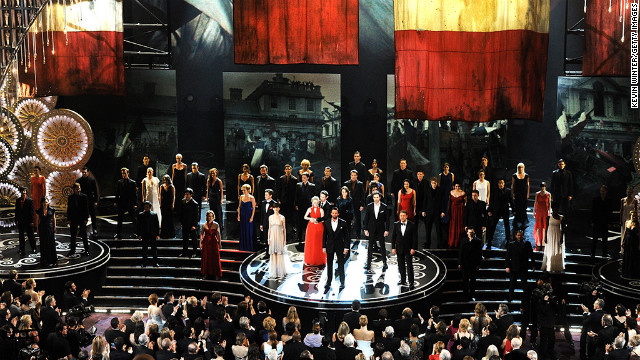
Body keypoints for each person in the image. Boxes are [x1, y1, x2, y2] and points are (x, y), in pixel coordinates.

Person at [323, 207, 350, 293]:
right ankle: (328, 282)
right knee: (329, 265)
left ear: (338, 214)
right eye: (333, 213)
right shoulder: (326, 223)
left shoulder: (343, 223)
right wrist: (324, 247)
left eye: (336, 213)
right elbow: (324, 236)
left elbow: (347, 237)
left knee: (341, 265)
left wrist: (346, 247)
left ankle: (342, 282)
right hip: (330, 246)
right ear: (331, 213)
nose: (334, 214)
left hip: (340, 246)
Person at [391, 210, 418, 289]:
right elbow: (393, 237)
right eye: (401, 215)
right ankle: (403, 280)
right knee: (401, 265)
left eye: (403, 215)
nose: (402, 217)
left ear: (406, 216)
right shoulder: (396, 224)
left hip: (408, 249)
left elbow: (414, 238)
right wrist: (393, 247)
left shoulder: (412, 225)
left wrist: (413, 248)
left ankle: (411, 282)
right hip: (399, 248)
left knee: (409, 266)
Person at [364, 192, 389, 271]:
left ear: (380, 198)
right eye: (374, 197)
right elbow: (366, 218)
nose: (376, 199)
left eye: (377, 197)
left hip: (381, 229)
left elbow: (387, 220)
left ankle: (385, 263)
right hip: (371, 229)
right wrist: (365, 229)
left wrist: (387, 230)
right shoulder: (369, 206)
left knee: (382, 246)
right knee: (370, 246)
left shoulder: (384, 207)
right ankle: (368, 264)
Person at [506, 230, 533, 302]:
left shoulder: (527, 244)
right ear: (515, 236)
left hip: (523, 267)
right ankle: (510, 298)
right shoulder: (511, 245)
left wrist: (533, 264)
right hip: (514, 267)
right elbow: (508, 256)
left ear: (523, 236)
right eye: (518, 235)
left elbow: (531, 255)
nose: (519, 237)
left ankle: (526, 299)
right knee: (512, 284)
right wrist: (507, 266)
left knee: (524, 285)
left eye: (521, 235)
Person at [487, 179, 513, 249]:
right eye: (500, 183)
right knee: (493, 225)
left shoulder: (508, 191)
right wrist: (489, 210)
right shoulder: (494, 191)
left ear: (504, 183)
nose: (501, 184)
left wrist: (514, 210)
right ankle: (489, 240)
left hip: (505, 210)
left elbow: (511, 201)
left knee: (507, 225)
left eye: (502, 183)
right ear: (498, 184)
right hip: (496, 210)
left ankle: (508, 239)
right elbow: (491, 201)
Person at [114, 167, 137, 239]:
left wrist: (135, 204)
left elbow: (134, 194)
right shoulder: (119, 182)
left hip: (130, 203)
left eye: (125, 173)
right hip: (122, 203)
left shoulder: (133, 183)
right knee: (120, 219)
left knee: (134, 219)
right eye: (122, 173)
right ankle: (118, 233)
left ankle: (136, 232)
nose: (123, 175)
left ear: (128, 173)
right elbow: (117, 193)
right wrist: (116, 201)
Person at [66, 183, 89, 256]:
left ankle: (86, 250)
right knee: (73, 235)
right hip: (73, 218)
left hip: (82, 218)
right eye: (77, 188)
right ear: (74, 189)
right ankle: (72, 250)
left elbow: (86, 208)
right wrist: (68, 219)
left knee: (84, 235)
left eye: (79, 188)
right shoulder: (70, 197)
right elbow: (69, 209)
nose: (79, 189)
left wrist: (86, 218)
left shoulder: (84, 196)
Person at [459, 228, 482, 299]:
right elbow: (461, 252)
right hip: (465, 263)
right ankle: (465, 295)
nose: (470, 234)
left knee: (473, 281)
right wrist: (460, 263)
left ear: (474, 233)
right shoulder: (463, 240)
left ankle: (472, 295)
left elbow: (479, 254)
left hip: (473, 264)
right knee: (465, 280)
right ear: (467, 233)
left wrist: (478, 264)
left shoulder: (478, 241)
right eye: (469, 232)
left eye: (472, 232)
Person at [422, 177, 445, 249]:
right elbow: (425, 201)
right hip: (429, 212)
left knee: (438, 229)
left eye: (435, 183)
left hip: (437, 212)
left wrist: (443, 211)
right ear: (431, 183)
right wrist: (423, 210)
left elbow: (442, 202)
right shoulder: (427, 190)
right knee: (428, 228)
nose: (434, 185)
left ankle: (439, 243)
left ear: (437, 183)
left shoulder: (440, 190)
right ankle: (427, 242)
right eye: (432, 183)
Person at [76, 167, 99, 236]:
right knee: (81, 216)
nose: (84, 173)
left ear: (88, 172)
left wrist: (95, 201)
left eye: (85, 172)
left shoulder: (92, 180)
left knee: (93, 215)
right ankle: (81, 230)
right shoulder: (78, 181)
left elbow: (95, 191)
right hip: (82, 201)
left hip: (90, 200)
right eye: (83, 172)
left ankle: (94, 229)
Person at [591, 185, 613, 258]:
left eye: (603, 191)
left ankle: (604, 253)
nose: (602, 192)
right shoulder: (596, 199)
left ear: (606, 192)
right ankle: (593, 253)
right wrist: (593, 221)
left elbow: (610, 212)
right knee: (595, 238)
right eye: (601, 191)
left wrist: (609, 222)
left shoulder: (609, 200)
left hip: (605, 222)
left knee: (605, 239)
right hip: (597, 221)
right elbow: (593, 211)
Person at [15, 186, 37, 255]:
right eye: (22, 191)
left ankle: (33, 248)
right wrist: (16, 220)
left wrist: (31, 221)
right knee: (21, 236)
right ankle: (22, 249)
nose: (23, 192)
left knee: (31, 235)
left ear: (26, 192)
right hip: (21, 220)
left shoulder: (30, 200)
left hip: (28, 221)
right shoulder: (17, 200)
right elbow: (16, 211)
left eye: (24, 191)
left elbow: (32, 212)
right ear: (20, 192)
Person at [304, 196, 325, 266]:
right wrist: (310, 219)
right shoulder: (309, 209)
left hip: (319, 226)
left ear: (318, 202)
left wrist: (317, 220)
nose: (315, 204)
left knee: (318, 242)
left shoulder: (321, 210)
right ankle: (311, 259)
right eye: (314, 202)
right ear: (312, 203)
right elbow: (305, 217)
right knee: (311, 242)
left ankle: (318, 259)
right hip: (311, 227)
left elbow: (323, 219)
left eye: (317, 202)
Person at [200, 210, 222, 280]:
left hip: (213, 243)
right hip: (206, 243)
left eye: (211, 216)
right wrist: (200, 243)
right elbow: (201, 235)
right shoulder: (204, 225)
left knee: (214, 258)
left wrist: (220, 243)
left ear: (213, 217)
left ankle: (216, 274)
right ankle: (205, 274)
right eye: (208, 216)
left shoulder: (216, 224)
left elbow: (218, 234)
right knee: (206, 258)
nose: (209, 218)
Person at [137, 201, 160, 267]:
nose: (145, 208)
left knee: (154, 249)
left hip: (152, 234)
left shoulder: (154, 215)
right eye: (145, 207)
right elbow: (139, 226)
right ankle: (144, 263)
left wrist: (157, 234)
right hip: (144, 234)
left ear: (150, 207)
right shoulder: (141, 215)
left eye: (147, 207)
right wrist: (139, 234)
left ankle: (155, 263)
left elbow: (156, 225)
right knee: (144, 250)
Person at [268, 203, 287, 279]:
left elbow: (284, 229)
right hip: (272, 236)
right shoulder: (270, 217)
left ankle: (280, 271)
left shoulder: (282, 217)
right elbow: (269, 228)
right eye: (274, 208)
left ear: (279, 208)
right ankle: (274, 271)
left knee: (279, 253)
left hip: (279, 236)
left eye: (277, 207)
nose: (276, 209)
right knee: (273, 253)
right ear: (273, 208)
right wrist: (268, 238)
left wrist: (285, 239)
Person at [295, 172, 316, 242]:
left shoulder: (312, 186)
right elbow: (296, 196)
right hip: (300, 206)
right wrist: (296, 204)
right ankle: (299, 237)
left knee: (308, 222)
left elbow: (314, 196)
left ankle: (309, 237)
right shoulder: (298, 185)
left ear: (308, 178)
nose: (303, 179)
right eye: (302, 177)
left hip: (308, 206)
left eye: (304, 177)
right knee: (299, 222)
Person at [344, 170, 365, 239]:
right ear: (350, 176)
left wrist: (362, 205)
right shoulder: (346, 183)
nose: (353, 176)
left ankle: (358, 234)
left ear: (357, 176)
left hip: (357, 204)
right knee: (348, 219)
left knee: (358, 220)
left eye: (354, 175)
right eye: (352, 175)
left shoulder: (360, 184)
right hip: (348, 204)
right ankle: (348, 234)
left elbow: (362, 195)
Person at [180, 188, 201, 257]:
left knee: (194, 239)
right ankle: (184, 252)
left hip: (191, 224)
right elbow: (181, 212)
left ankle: (194, 252)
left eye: (187, 194)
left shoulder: (194, 203)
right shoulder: (183, 201)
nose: (186, 196)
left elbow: (196, 215)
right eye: (185, 194)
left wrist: (194, 225)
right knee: (185, 239)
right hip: (185, 223)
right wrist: (180, 221)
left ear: (191, 195)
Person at [276, 164, 297, 230]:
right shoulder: (281, 178)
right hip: (283, 199)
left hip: (291, 200)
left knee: (291, 214)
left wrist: (295, 201)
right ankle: (282, 226)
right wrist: (278, 199)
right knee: (282, 213)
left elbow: (295, 191)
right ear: (284, 170)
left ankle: (291, 227)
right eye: (286, 169)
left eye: (289, 169)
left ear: (291, 170)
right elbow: (279, 189)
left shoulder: (294, 179)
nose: (288, 170)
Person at [37, 198, 57, 267]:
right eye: (44, 202)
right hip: (42, 228)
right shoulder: (39, 211)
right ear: (42, 203)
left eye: (46, 202)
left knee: (51, 243)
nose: (45, 204)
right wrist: (37, 229)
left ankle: (52, 259)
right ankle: (44, 259)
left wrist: (54, 227)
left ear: (48, 203)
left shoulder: (52, 210)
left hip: (50, 228)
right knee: (43, 244)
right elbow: (38, 220)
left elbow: (54, 219)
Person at [237, 184, 256, 251]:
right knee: (242, 230)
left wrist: (252, 217)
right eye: (242, 190)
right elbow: (239, 207)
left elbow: (253, 208)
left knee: (248, 231)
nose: (243, 191)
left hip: (248, 215)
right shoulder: (241, 197)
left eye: (244, 190)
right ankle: (242, 247)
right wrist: (238, 215)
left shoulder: (252, 198)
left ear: (248, 190)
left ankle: (249, 247)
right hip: (242, 215)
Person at [533, 182, 551, 250]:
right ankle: (538, 241)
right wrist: (533, 212)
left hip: (545, 212)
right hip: (539, 212)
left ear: (545, 187)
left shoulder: (548, 194)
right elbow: (535, 203)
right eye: (542, 186)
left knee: (544, 226)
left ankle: (543, 240)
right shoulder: (537, 194)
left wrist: (550, 212)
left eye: (544, 186)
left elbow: (549, 204)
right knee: (538, 226)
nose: (543, 187)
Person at [511, 163, 529, 231]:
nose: (520, 168)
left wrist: (527, 194)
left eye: (521, 167)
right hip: (517, 194)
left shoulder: (526, 175)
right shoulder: (514, 175)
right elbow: (512, 185)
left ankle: (523, 221)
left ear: (523, 168)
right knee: (517, 207)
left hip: (523, 194)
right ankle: (516, 221)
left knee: (523, 207)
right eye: (519, 167)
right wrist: (512, 194)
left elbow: (528, 185)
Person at [621, 210, 640, 278]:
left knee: (633, 257)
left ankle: (633, 273)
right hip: (627, 241)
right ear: (630, 215)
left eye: (635, 216)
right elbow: (624, 232)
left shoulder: (638, 223)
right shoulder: (627, 222)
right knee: (627, 256)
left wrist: (639, 245)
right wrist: (622, 241)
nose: (634, 217)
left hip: (634, 242)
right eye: (633, 215)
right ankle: (626, 272)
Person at [448, 184, 466, 248]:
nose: (457, 188)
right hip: (453, 211)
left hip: (460, 211)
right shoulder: (451, 192)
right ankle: (452, 241)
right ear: (454, 186)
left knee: (459, 224)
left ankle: (459, 242)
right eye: (456, 186)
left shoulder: (463, 193)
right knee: (453, 224)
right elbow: (449, 202)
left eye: (458, 186)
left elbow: (465, 203)